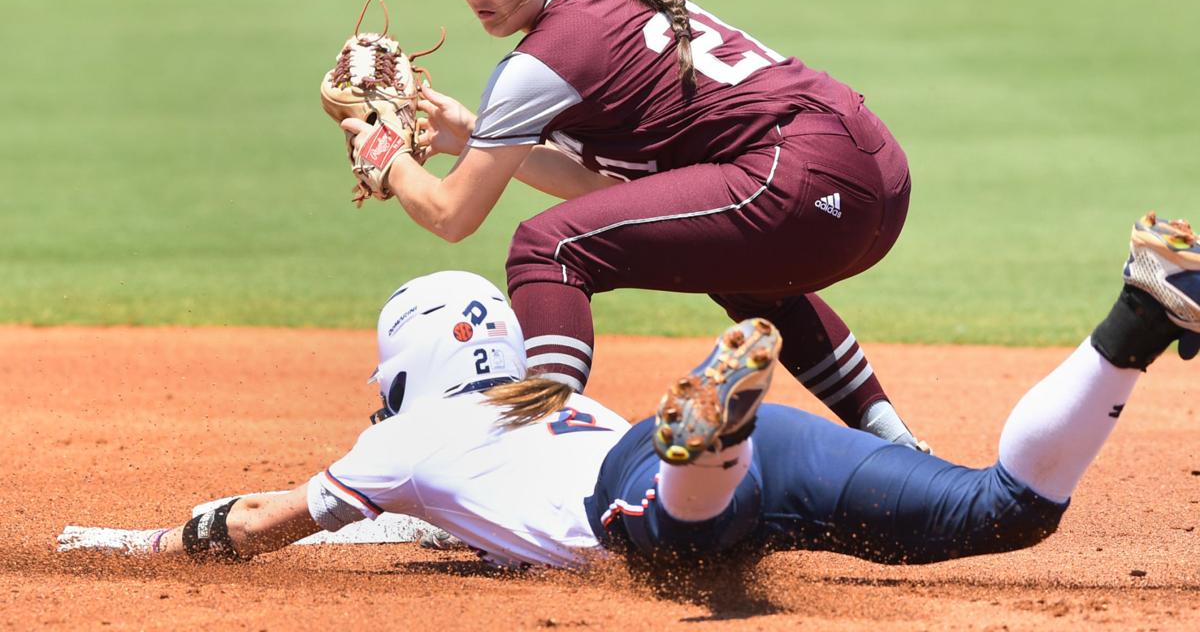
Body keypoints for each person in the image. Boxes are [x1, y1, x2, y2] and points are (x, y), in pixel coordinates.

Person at [58, 213, 1200, 568]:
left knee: (667, 543)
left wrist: (136, 542)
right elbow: (424, 519)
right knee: (1001, 510)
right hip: (774, 453)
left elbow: (262, 523)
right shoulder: (537, 396)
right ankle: (1137, 316)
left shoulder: (403, 440)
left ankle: (705, 445)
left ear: (401, 363)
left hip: (646, 487)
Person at [339, 0, 921, 448]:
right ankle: (895, 444)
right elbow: (606, 196)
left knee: (549, 248)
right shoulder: (611, 5)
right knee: (744, 275)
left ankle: (535, 459)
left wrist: (385, 153)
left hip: (799, 176)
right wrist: (472, 140)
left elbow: (451, 215)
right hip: (869, 177)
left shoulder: (543, 59)